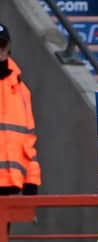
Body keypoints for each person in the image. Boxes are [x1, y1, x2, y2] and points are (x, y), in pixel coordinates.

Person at [0, 22, 40, 196]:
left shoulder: (21, 90)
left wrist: (31, 181)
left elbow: (28, 140)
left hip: (10, 185)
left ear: (8, 48)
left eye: (1, 45)